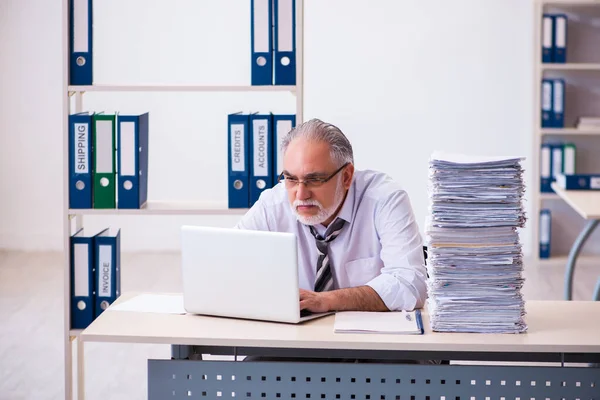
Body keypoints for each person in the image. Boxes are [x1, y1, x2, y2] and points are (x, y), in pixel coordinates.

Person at [235, 118, 428, 315]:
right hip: (294, 337)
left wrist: (327, 300)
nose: (301, 195)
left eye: (314, 180)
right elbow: (229, 265)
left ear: (346, 177)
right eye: (291, 179)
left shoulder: (384, 200)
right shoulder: (272, 206)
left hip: (369, 340)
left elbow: (411, 284)